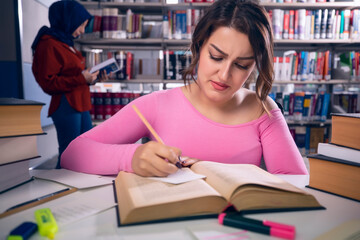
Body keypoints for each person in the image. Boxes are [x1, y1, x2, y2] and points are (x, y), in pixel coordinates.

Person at [61, 0, 308, 176]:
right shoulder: (156, 104)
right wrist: (131, 158)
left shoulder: (261, 109)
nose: (224, 75)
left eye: (241, 65)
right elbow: (73, 154)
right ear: (199, 48)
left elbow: (294, 180)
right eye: (216, 57)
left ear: (254, 66)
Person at [32, 0, 103, 169]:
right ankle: (60, 190)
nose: (81, 31)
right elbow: (48, 83)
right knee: (68, 153)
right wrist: (81, 79)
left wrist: (93, 78)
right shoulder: (49, 44)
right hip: (66, 105)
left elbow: (74, 76)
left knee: (84, 151)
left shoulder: (66, 43)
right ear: (68, 20)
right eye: (80, 25)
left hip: (81, 104)